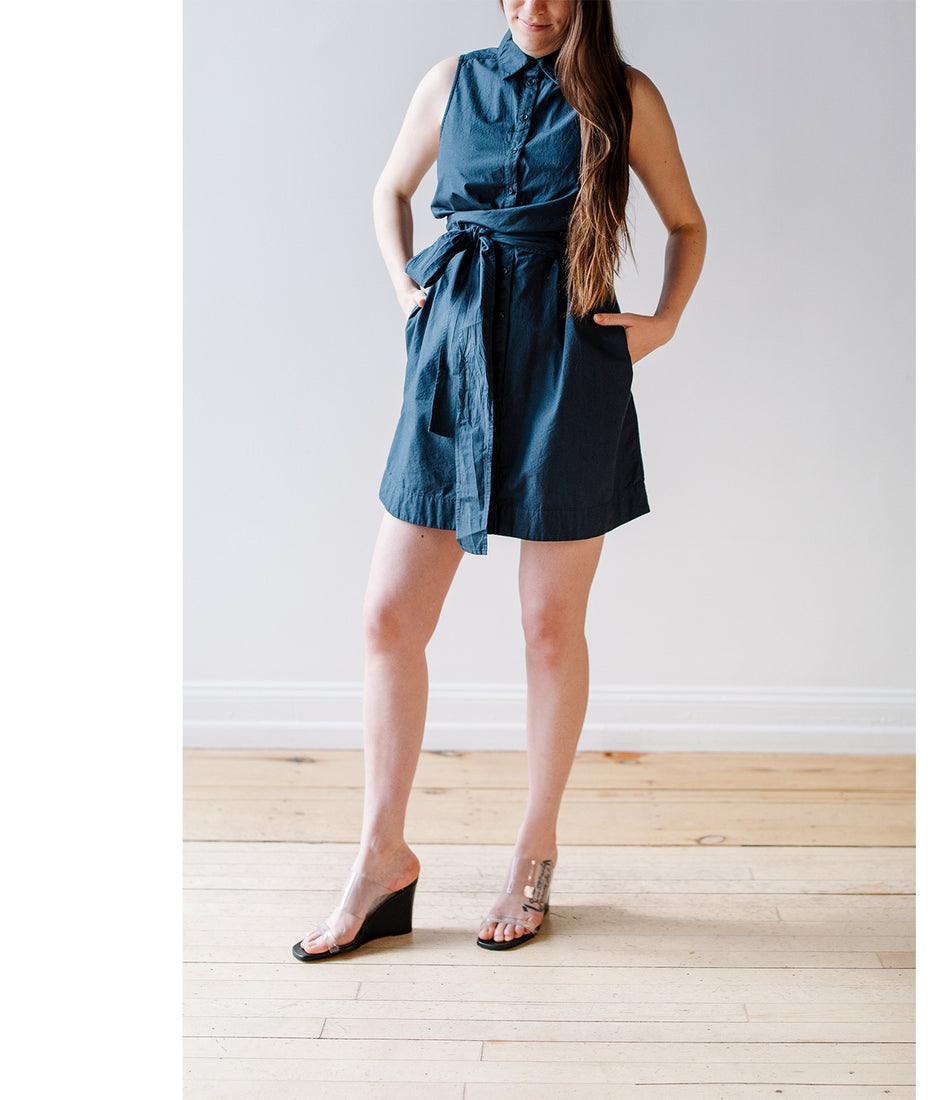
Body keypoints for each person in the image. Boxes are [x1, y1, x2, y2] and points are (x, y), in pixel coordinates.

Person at [292, 0, 705, 959]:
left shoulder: (624, 97)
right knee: (389, 617)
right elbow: (390, 190)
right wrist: (407, 292)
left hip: (568, 368)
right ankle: (381, 857)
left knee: (549, 626)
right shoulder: (451, 84)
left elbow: (687, 224)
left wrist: (662, 324)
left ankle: (534, 848)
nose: (534, 6)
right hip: (454, 360)